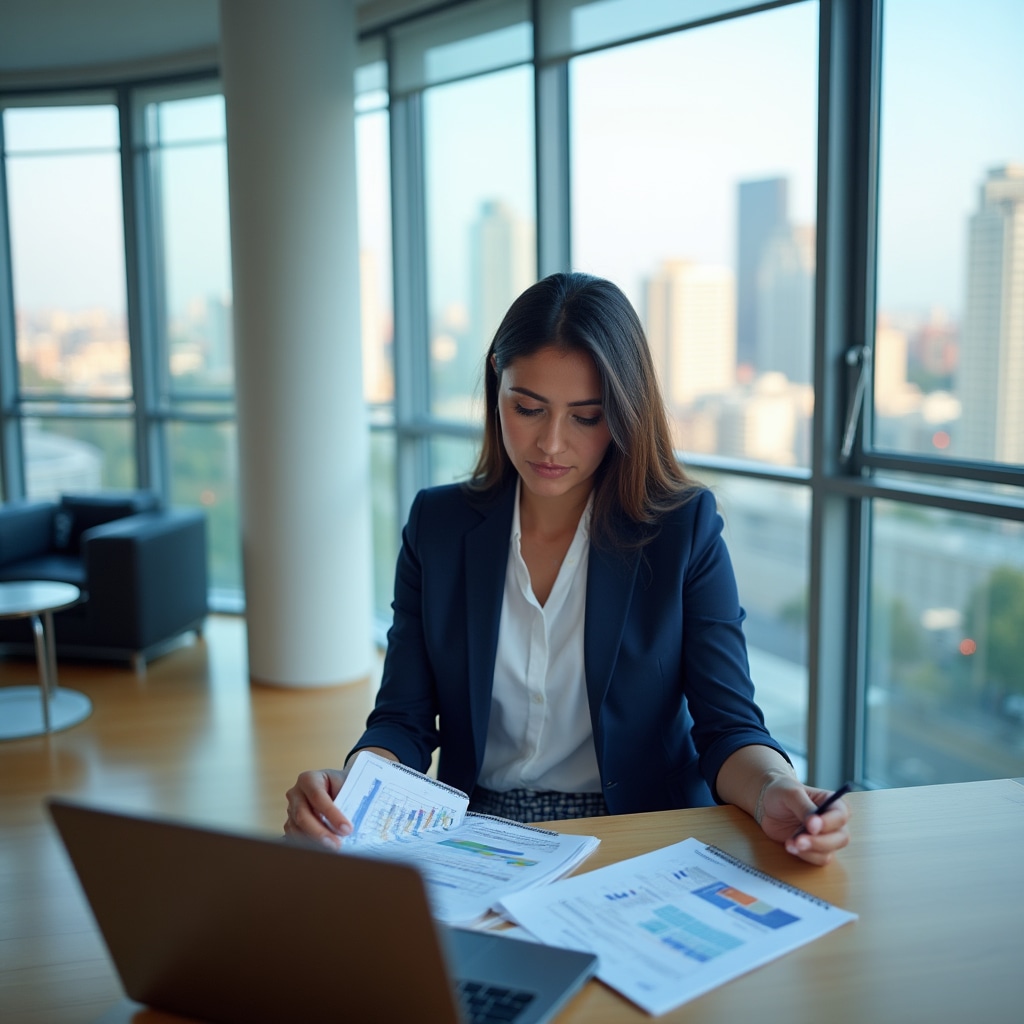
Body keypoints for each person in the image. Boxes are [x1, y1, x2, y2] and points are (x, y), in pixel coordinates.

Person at [285, 272, 850, 866]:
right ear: (495, 386)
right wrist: (355, 787)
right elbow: (402, 719)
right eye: (527, 408)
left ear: (625, 414)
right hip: (475, 825)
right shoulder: (439, 525)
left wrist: (771, 791)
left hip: (634, 827)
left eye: (586, 416)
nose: (551, 444)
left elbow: (726, 725)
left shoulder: (682, 530)